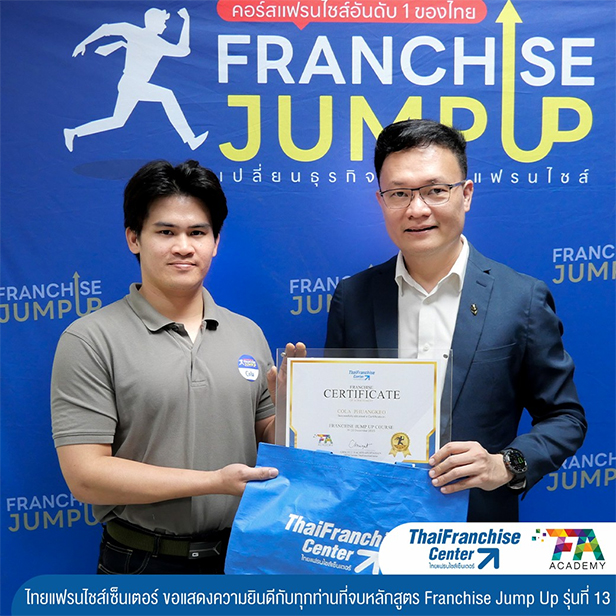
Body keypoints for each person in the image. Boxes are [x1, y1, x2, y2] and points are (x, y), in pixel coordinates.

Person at [324, 119, 587, 522]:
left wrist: (505, 464)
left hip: (477, 530)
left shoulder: (521, 298)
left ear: (466, 195)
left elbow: (565, 418)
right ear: (381, 201)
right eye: (399, 194)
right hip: (369, 527)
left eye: (435, 190)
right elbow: (335, 421)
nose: (417, 209)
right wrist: (300, 404)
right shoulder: (353, 297)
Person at [51, 160, 279, 574]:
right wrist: (213, 482)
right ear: (133, 238)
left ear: (215, 242)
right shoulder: (90, 339)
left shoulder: (248, 333)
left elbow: (272, 440)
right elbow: (86, 476)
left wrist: (298, 412)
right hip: (140, 563)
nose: (183, 247)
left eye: (197, 233)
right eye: (166, 232)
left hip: (242, 557)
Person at [64, 8, 208, 152]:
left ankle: (73, 132)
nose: (165, 26)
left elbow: (183, 51)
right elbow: (183, 50)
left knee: (117, 121)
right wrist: (186, 20)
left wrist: (84, 43)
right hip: (132, 83)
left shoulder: (147, 38)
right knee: (167, 96)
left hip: (130, 84)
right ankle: (190, 139)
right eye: (163, 22)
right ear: (154, 22)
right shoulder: (142, 35)